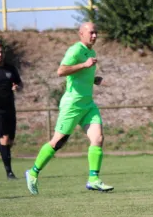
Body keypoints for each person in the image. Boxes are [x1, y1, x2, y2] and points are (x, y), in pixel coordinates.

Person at [25, 22, 113, 195]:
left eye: (96, 33)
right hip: (72, 105)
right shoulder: (75, 51)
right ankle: (33, 172)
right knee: (58, 142)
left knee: (98, 138)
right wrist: (84, 65)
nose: (94, 36)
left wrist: (93, 79)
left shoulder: (91, 52)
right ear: (81, 34)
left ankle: (93, 179)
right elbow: (61, 71)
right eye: (91, 33)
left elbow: (80, 76)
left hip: (88, 104)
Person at [0, 40, 22, 180]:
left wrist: (16, 88)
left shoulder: (10, 69)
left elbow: (19, 84)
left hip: (10, 108)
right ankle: (9, 173)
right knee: (4, 139)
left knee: (9, 141)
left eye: (1, 52)